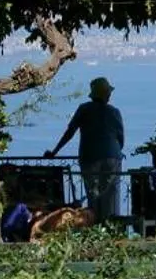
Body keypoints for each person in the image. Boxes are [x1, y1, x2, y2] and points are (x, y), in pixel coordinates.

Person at [47, 76, 125, 225]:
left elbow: (70, 132)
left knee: (93, 195)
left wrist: (55, 151)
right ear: (106, 94)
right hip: (112, 157)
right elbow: (121, 139)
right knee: (111, 197)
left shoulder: (84, 109)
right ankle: (111, 228)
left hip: (90, 157)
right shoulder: (115, 112)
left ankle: (95, 227)